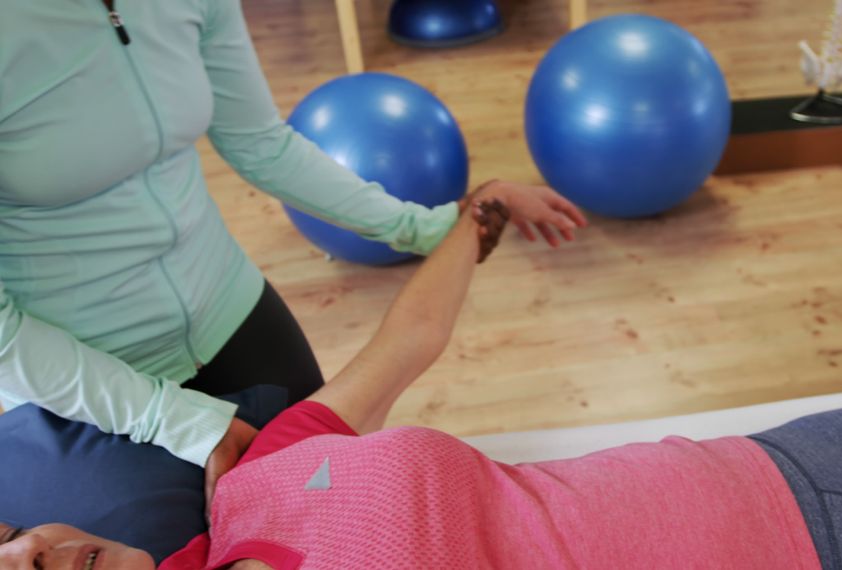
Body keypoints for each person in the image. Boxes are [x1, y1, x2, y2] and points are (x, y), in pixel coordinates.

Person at [5, 195, 842, 570]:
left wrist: (480, 212)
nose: (38, 551)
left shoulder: (246, 484)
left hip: (801, 458)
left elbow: (409, 342)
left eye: (15, 545)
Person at [0, 0, 587, 503]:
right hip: (81, 382)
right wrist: (173, 421)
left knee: (330, 509)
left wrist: (434, 230)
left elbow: (262, 144)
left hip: (228, 305)